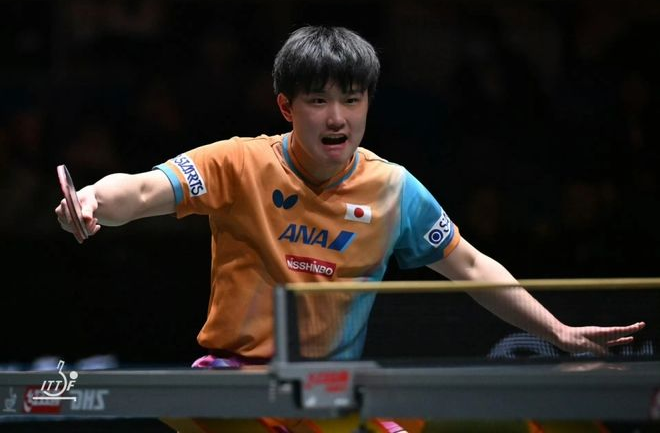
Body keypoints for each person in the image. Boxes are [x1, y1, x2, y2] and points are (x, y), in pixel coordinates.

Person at [55, 26, 645, 432]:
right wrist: (92, 201)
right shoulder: (238, 162)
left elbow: (469, 265)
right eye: (318, 101)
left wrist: (558, 331)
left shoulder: (393, 189)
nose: (337, 117)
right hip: (236, 383)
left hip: (328, 391)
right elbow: (143, 190)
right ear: (286, 107)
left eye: (352, 100)